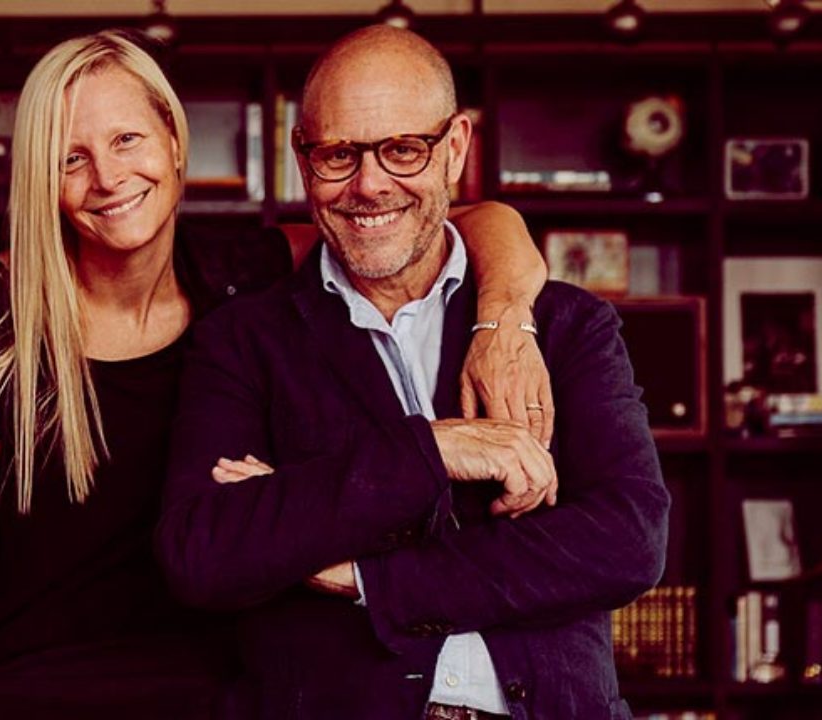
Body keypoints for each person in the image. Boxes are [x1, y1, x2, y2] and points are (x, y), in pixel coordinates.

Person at [0, 29, 552, 720]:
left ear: (175, 143)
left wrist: (504, 321)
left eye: (127, 140)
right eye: (71, 158)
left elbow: (474, 221)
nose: (107, 178)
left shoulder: (237, 276)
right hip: (31, 692)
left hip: (219, 695)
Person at [156, 25, 670, 720]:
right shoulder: (241, 341)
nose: (369, 186)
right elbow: (204, 553)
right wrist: (433, 450)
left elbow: (627, 542)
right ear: (303, 159)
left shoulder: (562, 326)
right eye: (338, 154)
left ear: (455, 148)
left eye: (403, 149)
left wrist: (363, 577)